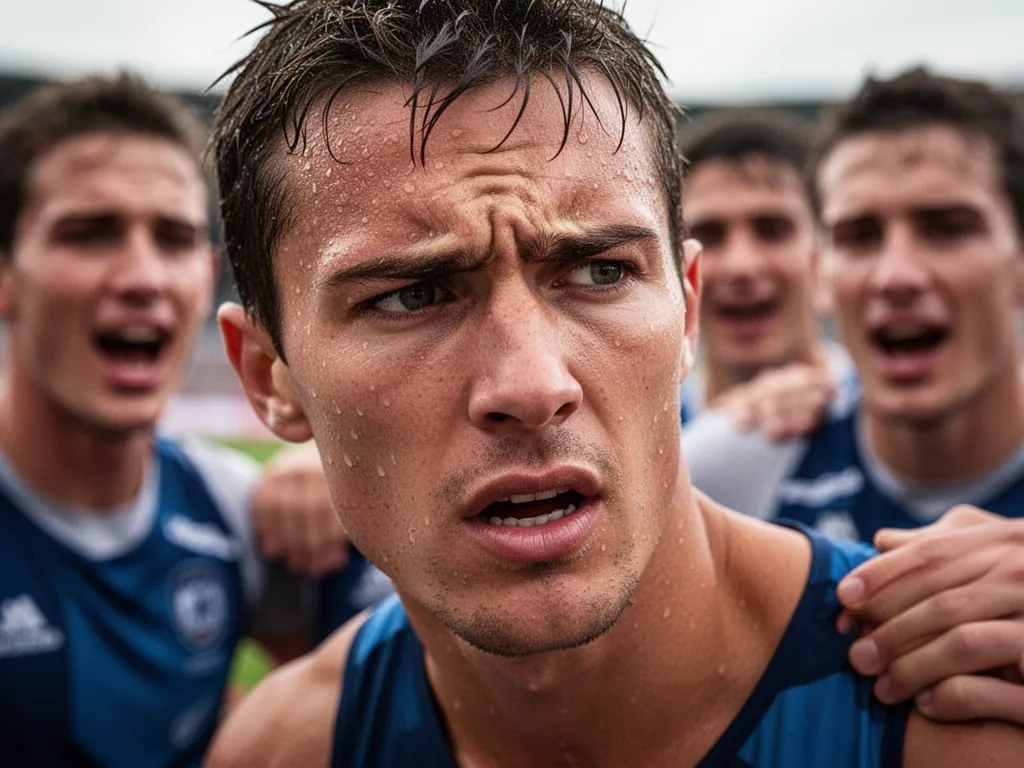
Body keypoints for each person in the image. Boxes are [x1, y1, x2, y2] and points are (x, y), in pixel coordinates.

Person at [204, 2, 1024, 765]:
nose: (532, 385)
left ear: (687, 310)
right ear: (268, 377)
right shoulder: (287, 748)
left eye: (599, 272)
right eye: (412, 295)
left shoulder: (955, 719)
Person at [0, 73, 362, 767]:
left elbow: (403, 695)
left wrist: (342, 476)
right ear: (7, 276)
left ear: (205, 274)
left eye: (172, 239)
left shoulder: (229, 511)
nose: (143, 277)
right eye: (89, 233)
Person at [686, 66, 1024, 716]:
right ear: (821, 275)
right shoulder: (728, 467)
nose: (896, 274)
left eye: (947, 228)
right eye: (860, 236)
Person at [678, 109, 848, 433]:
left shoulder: (883, 412)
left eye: (772, 230)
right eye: (710, 235)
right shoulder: (645, 435)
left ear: (823, 253)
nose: (742, 265)